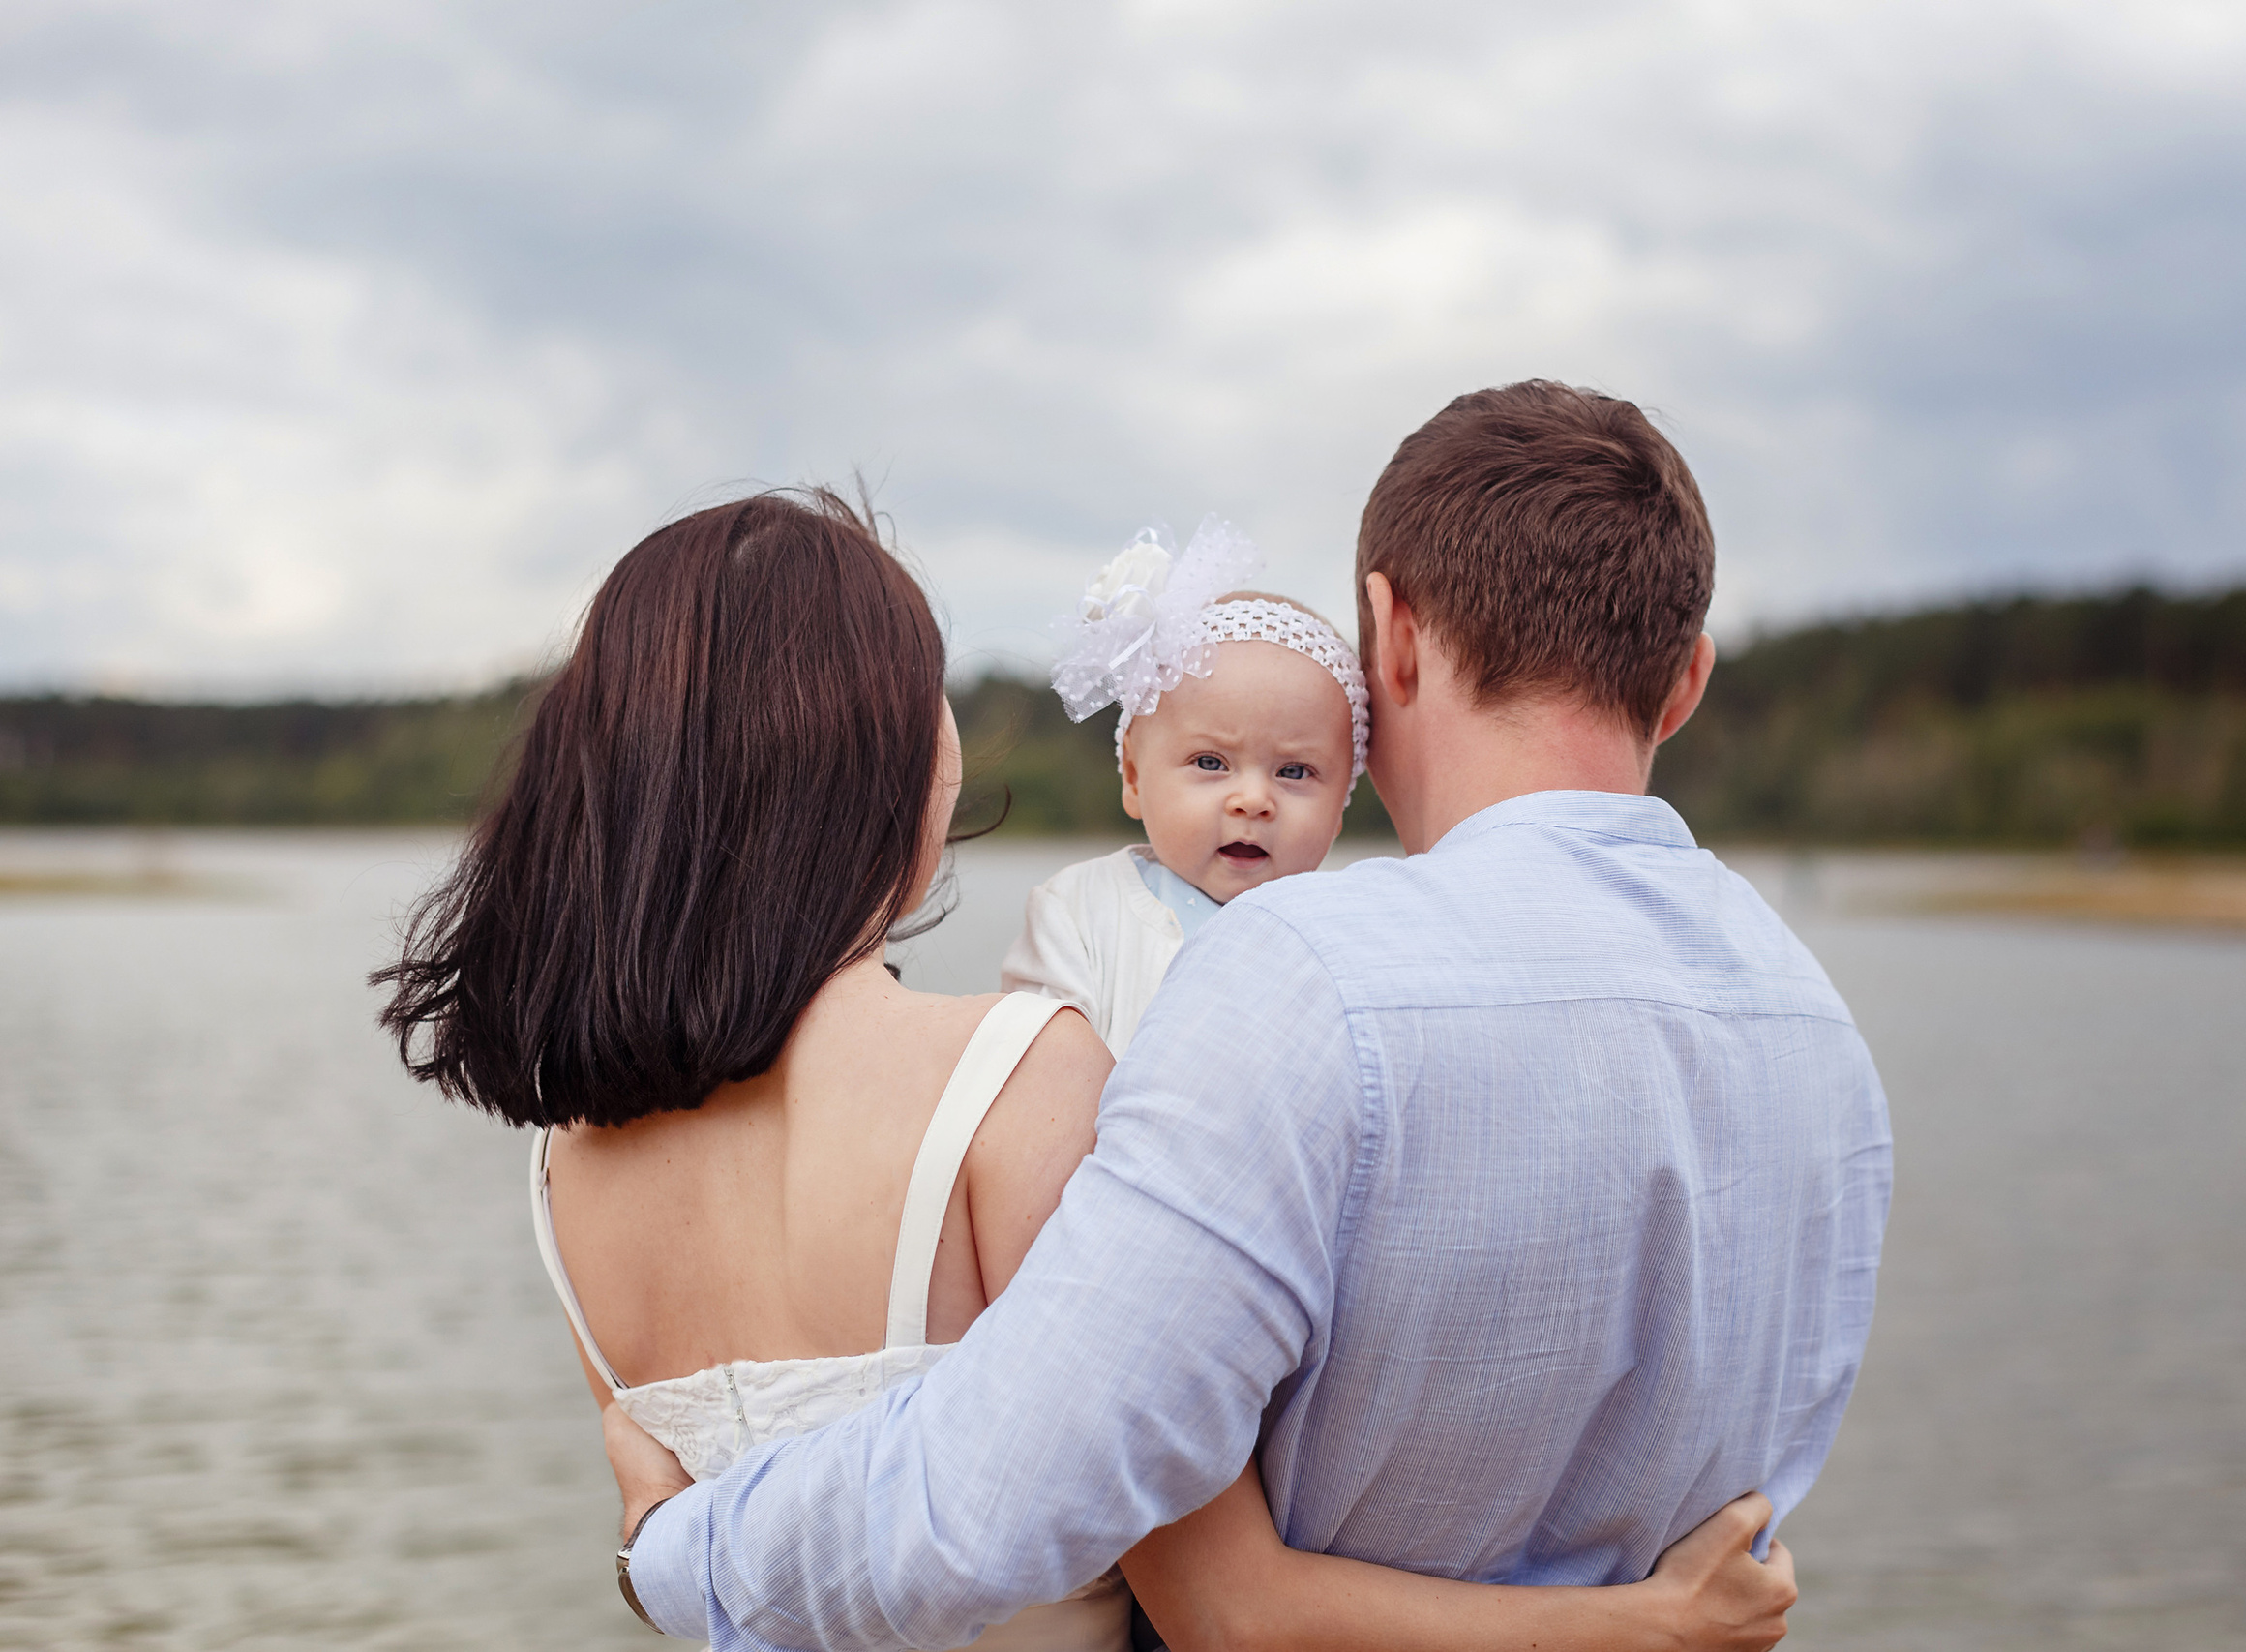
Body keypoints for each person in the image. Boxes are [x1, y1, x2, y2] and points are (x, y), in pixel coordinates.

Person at [374, 487, 1801, 1650]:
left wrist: (658, 1554)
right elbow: (1234, 1605)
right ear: (870, 754)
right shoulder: (1019, 1079)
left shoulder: (568, 1163)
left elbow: (685, 1529)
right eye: (926, 690)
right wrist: (1651, 1620)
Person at [1003, 518, 1368, 1053]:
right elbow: (1027, 1077)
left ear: (1341, 805)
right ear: (1132, 775)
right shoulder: (1081, 912)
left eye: (1294, 772)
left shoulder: (1345, 936)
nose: (1252, 801)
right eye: (1210, 763)